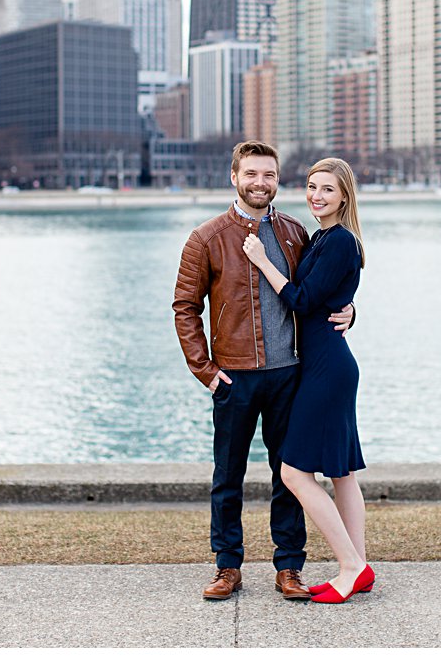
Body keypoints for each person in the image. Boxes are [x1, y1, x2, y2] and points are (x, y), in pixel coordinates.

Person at [172, 140, 356, 602]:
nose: (260, 183)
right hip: (233, 375)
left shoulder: (296, 232)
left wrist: (352, 310)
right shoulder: (206, 237)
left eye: (269, 175)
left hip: (290, 374)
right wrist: (206, 371)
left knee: (288, 474)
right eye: (251, 174)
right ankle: (227, 566)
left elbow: (318, 291)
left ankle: (289, 567)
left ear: (277, 180)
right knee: (227, 475)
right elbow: (185, 308)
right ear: (234, 177)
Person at [243, 156, 371, 603]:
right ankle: (360, 565)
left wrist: (261, 260)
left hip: (327, 370)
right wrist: (352, 310)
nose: (317, 196)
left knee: (294, 472)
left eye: (328, 190)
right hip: (328, 362)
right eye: (312, 187)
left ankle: (351, 566)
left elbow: (300, 300)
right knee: (341, 471)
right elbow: (333, 298)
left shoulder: (339, 242)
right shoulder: (324, 237)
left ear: (344, 197)